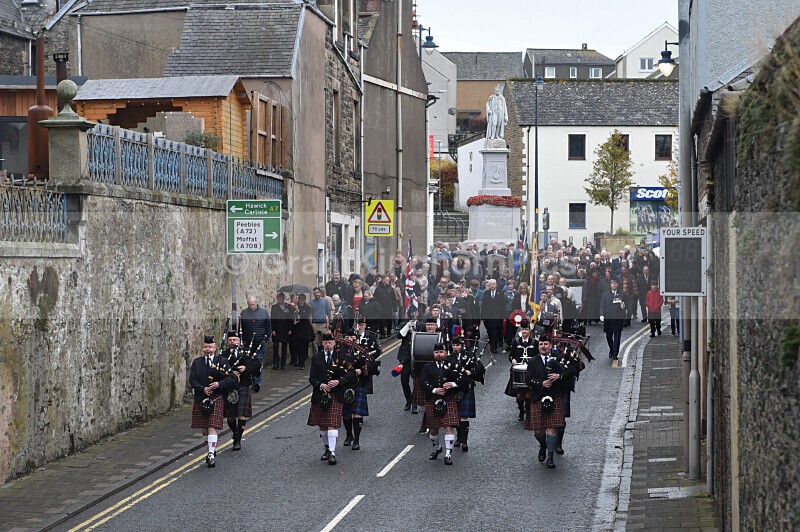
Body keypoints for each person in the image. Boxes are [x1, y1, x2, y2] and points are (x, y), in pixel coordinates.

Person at [525, 335, 572, 469]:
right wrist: (541, 383)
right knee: (538, 432)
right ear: (538, 346)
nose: (543, 346)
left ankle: (550, 457)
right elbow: (528, 379)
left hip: (554, 397)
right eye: (541, 344)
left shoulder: (558, 360)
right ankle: (543, 446)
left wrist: (559, 376)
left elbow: (570, 371)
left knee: (552, 429)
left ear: (550, 345)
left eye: (546, 344)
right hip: (538, 397)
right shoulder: (533, 361)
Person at [307, 333, 355, 465]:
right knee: (322, 426)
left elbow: (351, 373)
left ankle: (333, 453)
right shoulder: (317, 357)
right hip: (320, 395)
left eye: (330, 342)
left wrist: (339, 381)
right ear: (322, 343)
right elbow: (312, 378)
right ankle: (327, 449)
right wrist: (320, 385)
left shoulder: (341, 356)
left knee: (331, 424)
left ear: (334, 343)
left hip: (336, 394)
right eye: (325, 342)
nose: (328, 345)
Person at [189, 335, 234, 468]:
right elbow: (192, 380)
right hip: (201, 397)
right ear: (203, 348)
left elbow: (231, 378)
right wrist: (203, 389)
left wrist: (219, 384)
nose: (208, 349)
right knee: (205, 430)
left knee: (212, 426)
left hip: (217, 397)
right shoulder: (197, 363)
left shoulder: (223, 361)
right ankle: (211, 447)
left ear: (215, 348)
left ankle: (210, 454)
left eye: (210, 347)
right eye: (205, 347)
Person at [422, 342, 466, 465]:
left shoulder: (453, 365)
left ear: (445, 353)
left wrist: (453, 384)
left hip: (449, 398)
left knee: (448, 426)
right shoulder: (427, 367)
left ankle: (448, 454)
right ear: (433, 354)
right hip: (433, 399)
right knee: (433, 429)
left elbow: (463, 378)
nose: (439, 354)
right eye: (436, 352)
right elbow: (422, 382)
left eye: (441, 352)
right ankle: (437, 448)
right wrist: (434, 389)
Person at [221, 331, 261, 451]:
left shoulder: (246, 354)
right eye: (230, 340)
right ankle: (235, 432)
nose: (233, 342)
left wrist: (246, 368)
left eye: (235, 340)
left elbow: (257, 367)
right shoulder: (223, 355)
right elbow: (217, 370)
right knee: (230, 417)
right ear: (228, 342)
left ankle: (237, 440)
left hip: (242, 386)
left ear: (239, 341)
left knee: (241, 415)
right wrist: (229, 372)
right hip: (229, 388)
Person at [451, 337, 483, 452]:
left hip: (466, 387)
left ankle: (464, 441)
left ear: (462, 345)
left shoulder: (469, 355)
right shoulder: (449, 357)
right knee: (456, 415)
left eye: (458, 345)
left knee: (464, 415)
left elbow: (479, 369)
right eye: (454, 345)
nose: (456, 348)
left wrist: (471, 372)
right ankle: (459, 438)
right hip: (454, 388)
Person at [239, 295, 271, 392]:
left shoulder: (264, 312)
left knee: (258, 361)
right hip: (247, 343)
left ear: (256, 303)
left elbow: (268, 327)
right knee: (248, 362)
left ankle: (257, 382)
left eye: (253, 304)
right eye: (250, 305)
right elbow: (241, 328)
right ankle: (251, 381)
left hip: (260, 343)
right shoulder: (244, 313)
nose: (252, 307)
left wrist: (265, 340)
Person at [505, 321, 536, 421]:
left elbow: (538, 356)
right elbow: (511, 355)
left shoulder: (535, 342)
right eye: (522, 329)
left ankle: (528, 412)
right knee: (519, 395)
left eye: (526, 329)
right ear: (520, 330)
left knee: (528, 394)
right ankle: (521, 411)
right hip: (518, 372)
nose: (524, 331)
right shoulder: (516, 341)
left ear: (529, 330)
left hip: (530, 371)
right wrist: (512, 360)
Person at [600, 279, 628, 359]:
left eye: (616, 283)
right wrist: (602, 315)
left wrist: (624, 306)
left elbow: (626, 304)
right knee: (608, 336)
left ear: (618, 285)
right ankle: (612, 349)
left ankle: (615, 354)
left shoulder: (622, 294)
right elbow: (602, 305)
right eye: (613, 283)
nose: (614, 285)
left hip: (618, 318)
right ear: (610, 285)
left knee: (617, 336)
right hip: (608, 318)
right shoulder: (605, 294)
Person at [396, 310, 418, 410]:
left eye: (415, 312)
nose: (413, 314)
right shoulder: (403, 325)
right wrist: (407, 326)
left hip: (417, 356)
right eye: (412, 313)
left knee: (417, 381)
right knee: (404, 380)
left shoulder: (421, 325)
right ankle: (409, 400)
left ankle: (414, 402)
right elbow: (399, 336)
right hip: (405, 357)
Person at [481, 279, 507, 354]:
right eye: (490, 284)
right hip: (488, 316)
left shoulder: (501, 293)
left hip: (497, 316)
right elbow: (483, 305)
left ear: (496, 285)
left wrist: (504, 316)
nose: (492, 286)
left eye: (493, 284)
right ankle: (492, 344)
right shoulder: (485, 293)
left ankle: (494, 346)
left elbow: (503, 305)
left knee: (496, 330)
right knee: (490, 331)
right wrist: (482, 317)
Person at [291, 293, 314, 369]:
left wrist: (298, 311)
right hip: (296, 328)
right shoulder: (294, 306)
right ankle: (297, 360)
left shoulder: (307, 307)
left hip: (304, 329)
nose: (300, 300)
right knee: (297, 346)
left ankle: (302, 362)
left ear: (304, 299)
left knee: (303, 346)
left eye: (302, 299)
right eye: (299, 298)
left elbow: (305, 316)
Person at [270, 292, 292, 370]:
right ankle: (276, 363)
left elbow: (290, 318)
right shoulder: (274, 307)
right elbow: (272, 318)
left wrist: (290, 329)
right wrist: (273, 329)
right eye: (279, 298)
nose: (280, 299)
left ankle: (283, 364)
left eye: (282, 298)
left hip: (285, 328)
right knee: (276, 346)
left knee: (284, 346)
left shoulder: (288, 306)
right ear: (277, 299)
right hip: (277, 328)